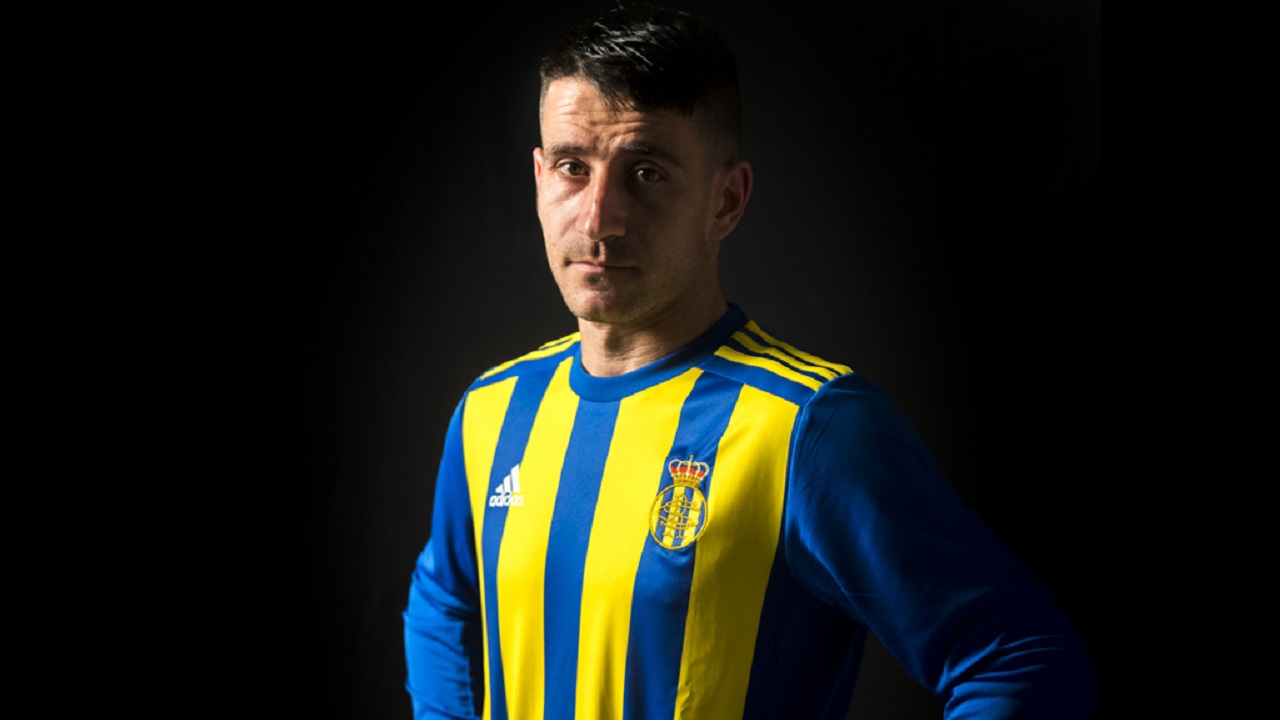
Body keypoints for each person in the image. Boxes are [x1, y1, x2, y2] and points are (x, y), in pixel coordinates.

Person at [404, 5, 1098, 719]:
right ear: (539, 176)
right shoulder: (494, 408)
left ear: (726, 201)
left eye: (647, 172)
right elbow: (443, 598)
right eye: (573, 168)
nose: (598, 218)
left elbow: (1021, 658)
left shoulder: (809, 428)